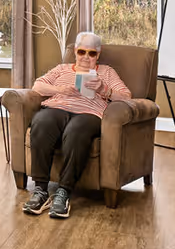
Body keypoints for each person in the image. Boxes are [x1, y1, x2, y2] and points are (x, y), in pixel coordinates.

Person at [22, 32, 131, 219]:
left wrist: (104, 89)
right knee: (41, 122)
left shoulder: (106, 72)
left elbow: (126, 96)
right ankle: (40, 190)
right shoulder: (62, 69)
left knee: (76, 131)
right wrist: (60, 89)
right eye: (82, 52)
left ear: (98, 54)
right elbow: (37, 86)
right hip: (58, 107)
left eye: (91, 53)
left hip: (90, 113)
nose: (86, 57)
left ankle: (63, 192)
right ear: (75, 51)